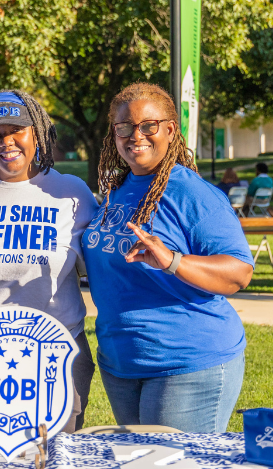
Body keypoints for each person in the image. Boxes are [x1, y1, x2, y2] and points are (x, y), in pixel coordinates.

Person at [82, 83, 254, 433]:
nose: (136, 136)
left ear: (171, 129)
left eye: (148, 126)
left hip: (187, 363)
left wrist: (173, 260)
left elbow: (239, 273)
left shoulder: (192, 193)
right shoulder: (119, 189)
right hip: (122, 365)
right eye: (125, 128)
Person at [0, 90, 98, 432]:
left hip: (55, 352)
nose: (6, 142)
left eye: (17, 131)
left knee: (53, 463)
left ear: (37, 134)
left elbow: (102, 262)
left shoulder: (71, 192)